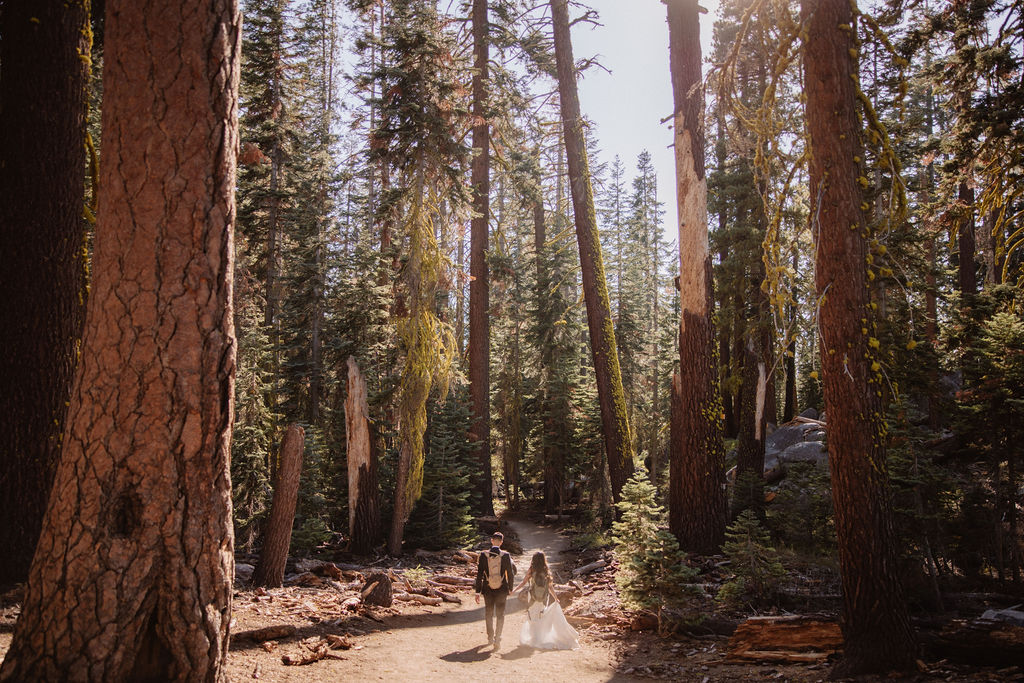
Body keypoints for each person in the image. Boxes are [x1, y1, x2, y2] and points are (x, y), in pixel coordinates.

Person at [512, 551, 579, 650]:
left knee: (532, 617)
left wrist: (515, 590)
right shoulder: (546, 570)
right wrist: (556, 597)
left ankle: (534, 638)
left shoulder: (531, 570)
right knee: (541, 616)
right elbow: (550, 586)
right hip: (543, 598)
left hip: (532, 597)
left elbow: (524, 582)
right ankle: (540, 638)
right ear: (544, 560)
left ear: (533, 560)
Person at [474, 531, 515, 649]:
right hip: (502, 589)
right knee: (500, 614)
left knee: (489, 613)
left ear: (492, 541)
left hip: (487, 589)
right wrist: (510, 588)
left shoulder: (483, 555)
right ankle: (498, 638)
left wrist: (477, 591)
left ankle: (490, 637)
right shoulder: (506, 555)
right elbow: (510, 574)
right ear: (501, 542)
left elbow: (479, 574)